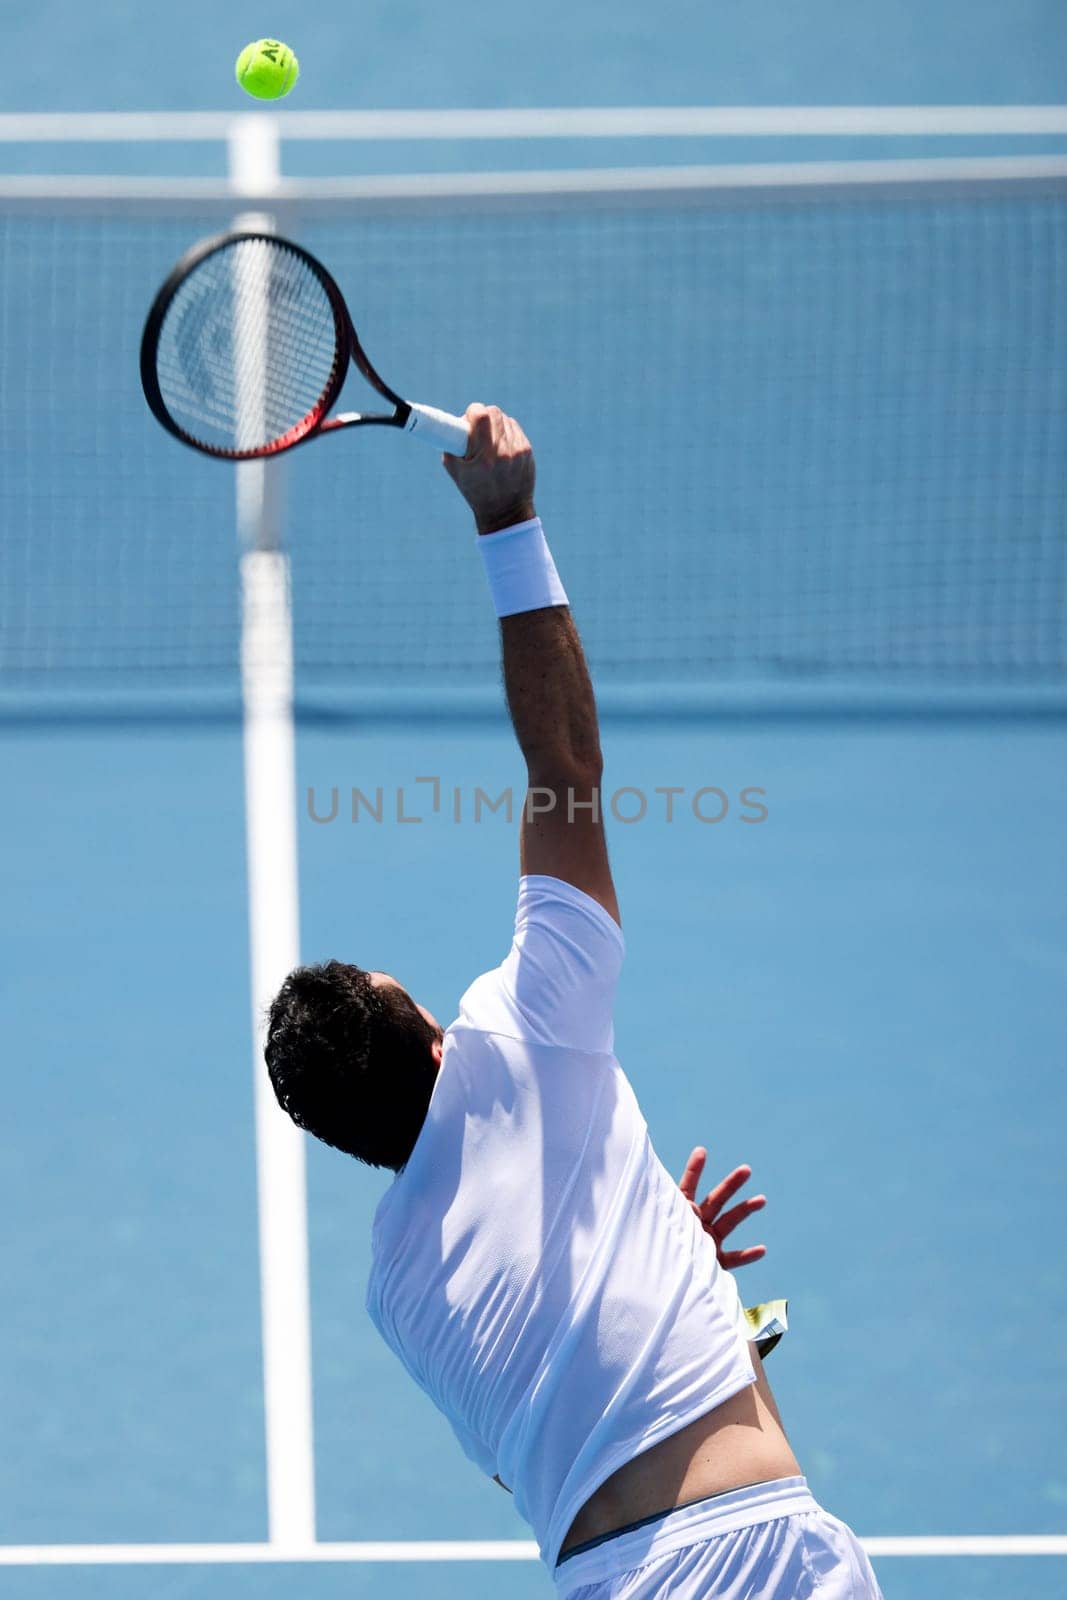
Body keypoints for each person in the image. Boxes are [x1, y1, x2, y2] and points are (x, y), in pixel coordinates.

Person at [265, 406, 884, 1598]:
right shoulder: (522, 1034)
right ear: (435, 1036)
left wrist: (669, 1274)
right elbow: (564, 770)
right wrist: (508, 521)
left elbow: (548, 1446)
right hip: (761, 1555)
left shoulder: (398, 1294)